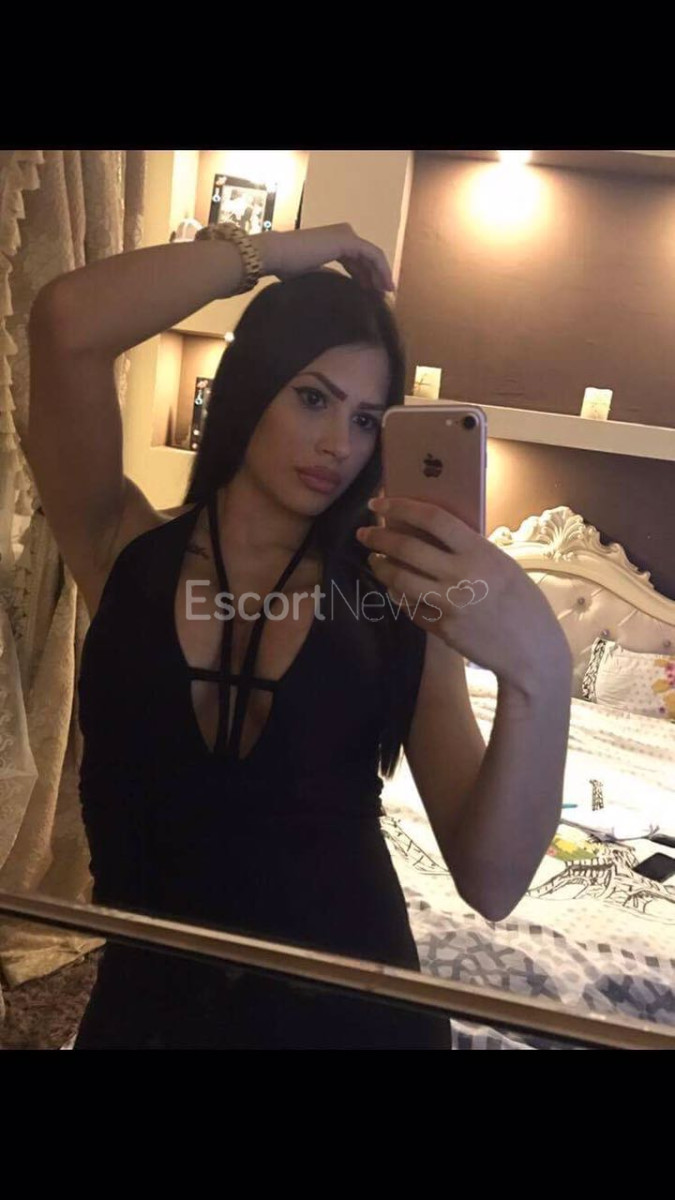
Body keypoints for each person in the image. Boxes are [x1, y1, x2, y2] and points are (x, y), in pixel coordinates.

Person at [26, 223, 573, 1048]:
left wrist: (541, 671)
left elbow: (491, 882)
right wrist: (276, 255)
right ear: (254, 382)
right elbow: (66, 321)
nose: (337, 445)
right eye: (313, 398)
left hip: (350, 1021)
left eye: (366, 420)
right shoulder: (124, 551)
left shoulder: (394, 601)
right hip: (149, 1015)